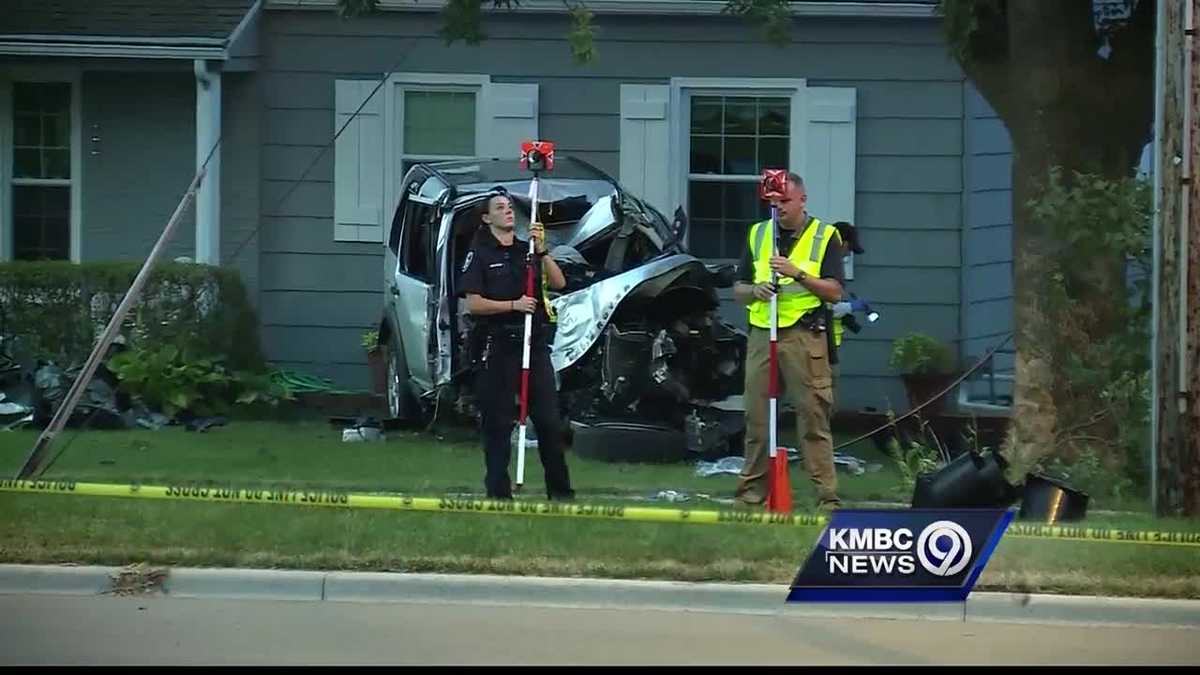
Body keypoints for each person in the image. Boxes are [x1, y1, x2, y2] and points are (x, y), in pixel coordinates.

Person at [733, 172, 846, 510]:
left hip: (804, 335)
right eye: (773, 202)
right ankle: (751, 493)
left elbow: (835, 290)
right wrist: (755, 290)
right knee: (757, 417)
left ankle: (826, 495)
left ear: (802, 200)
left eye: (785, 201)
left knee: (812, 415)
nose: (778, 208)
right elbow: (738, 288)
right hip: (761, 334)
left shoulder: (825, 236)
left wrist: (797, 273)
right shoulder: (758, 233)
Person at [458, 191, 575, 501]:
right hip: (497, 347)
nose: (508, 212)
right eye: (500, 208)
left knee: (549, 421)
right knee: (497, 424)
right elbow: (474, 304)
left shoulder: (527, 252)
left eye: (510, 208)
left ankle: (561, 494)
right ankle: (498, 494)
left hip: (532, 346)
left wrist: (543, 250)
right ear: (487, 218)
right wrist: (513, 304)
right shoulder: (480, 255)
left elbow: (559, 282)